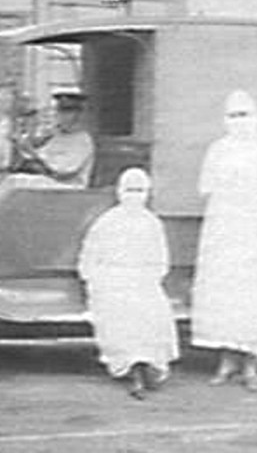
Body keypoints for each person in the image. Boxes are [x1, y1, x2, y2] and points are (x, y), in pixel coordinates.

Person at [190, 90, 257, 392]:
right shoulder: (218, 150)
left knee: (253, 292)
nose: (239, 122)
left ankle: (250, 363)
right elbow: (207, 187)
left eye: (245, 115)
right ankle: (226, 360)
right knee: (226, 291)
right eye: (233, 116)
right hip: (224, 226)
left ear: (256, 117)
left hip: (255, 228)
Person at [77, 167, 179, 399]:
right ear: (119, 192)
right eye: (129, 190)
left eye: (140, 191)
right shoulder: (107, 222)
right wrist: (95, 280)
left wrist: (149, 278)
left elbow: (161, 259)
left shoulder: (151, 223)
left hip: (142, 279)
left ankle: (149, 367)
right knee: (121, 317)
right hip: (111, 281)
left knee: (153, 314)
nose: (135, 196)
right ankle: (132, 372)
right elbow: (90, 255)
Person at [10, 86, 96, 188]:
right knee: (14, 181)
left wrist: (33, 153)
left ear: (78, 114)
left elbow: (62, 171)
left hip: (69, 190)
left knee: (21, 183)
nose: (60, 115)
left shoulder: (83, 141)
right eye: (59, 110)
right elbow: (34, 161)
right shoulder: (54, 136)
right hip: (48, 186)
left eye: (67, 111)